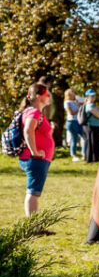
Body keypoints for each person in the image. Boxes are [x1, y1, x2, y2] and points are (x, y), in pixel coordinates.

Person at [13, 82, 55, 216]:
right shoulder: (34, 112)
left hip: (36, 159)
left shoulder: (33, 112)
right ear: (38, 96)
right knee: (33, 193)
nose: (49, 96)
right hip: (35, 159)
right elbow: (28, 131)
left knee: (34, 192)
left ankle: (35, 226)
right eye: (47, 94)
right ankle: (33, 228)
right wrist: (35, 152)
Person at [62, 87, 84, 160]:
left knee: (84, 137)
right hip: (72, 122)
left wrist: (79, 105)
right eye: (71, 93)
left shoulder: (76, 101)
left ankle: (83, 152)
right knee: (74, 139)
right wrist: (79, 108)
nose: (73, 94)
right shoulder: (67, 102)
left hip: (78, 121)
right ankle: (73, 155)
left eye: (73, 92)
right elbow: (71, 113)